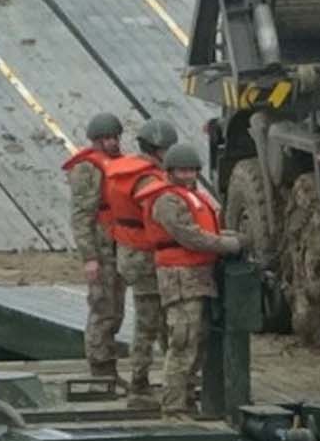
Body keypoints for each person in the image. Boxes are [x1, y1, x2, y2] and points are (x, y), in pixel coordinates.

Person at [143, 143, 247, 417]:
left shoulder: (192, 197)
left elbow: (203, 230)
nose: (188, 175)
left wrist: (231, 236)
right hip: (180, 278)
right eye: (182, 170)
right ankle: (173, 406)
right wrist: (229, 245)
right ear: (171, 171)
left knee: (197, 343)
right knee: (182, 343)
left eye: (192, 170)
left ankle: (186, 401)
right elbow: (189, 235)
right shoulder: (167, 201)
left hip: (198, 278)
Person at [99, 118, 175, 400]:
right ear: (159, 149)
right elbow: (159, 219)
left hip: (126, 252)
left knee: (146, 318)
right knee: (152, 322)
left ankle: (146, 378)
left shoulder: (120, 172)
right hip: (146, 256)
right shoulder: (149, 179)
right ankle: (142, 381)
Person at [65, 113, 128, 381]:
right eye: (105, 139)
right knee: (103, 308)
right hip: (101, 248)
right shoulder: (86, 170)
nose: (112, 143)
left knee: (117, 309)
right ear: (95, 142)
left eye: (114, 138)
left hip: (119, 244)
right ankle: (101, 370)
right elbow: (81, 216)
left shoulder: (120, 164)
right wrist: (89, 257)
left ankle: (109, 368)